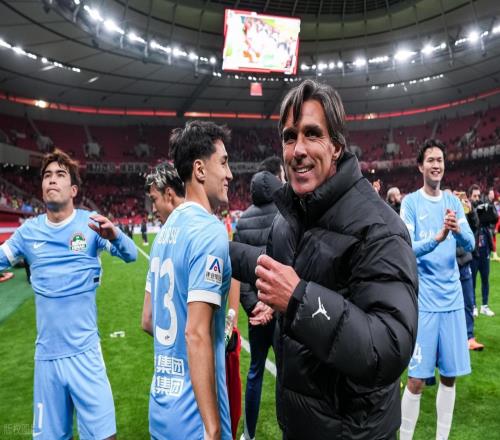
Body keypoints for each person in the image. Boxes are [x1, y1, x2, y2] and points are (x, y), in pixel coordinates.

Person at [230, 79, 418, 439]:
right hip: (299, 426)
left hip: (356, 432)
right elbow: (279, 265)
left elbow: (389, 346)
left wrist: (297, 298)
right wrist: (217, 248)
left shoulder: (379, 228)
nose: (298, 149)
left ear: (337, 146)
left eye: (312, 134)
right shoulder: (288, 220)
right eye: (289, 137)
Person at [0, 149, 137, 439]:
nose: (52, 179)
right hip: (47, 360)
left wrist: (115, 236)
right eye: (47, 175)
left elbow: (131, 255)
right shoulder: (28, 232)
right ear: (42, 186)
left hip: (86, 356)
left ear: (73, 189)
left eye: (60, 174)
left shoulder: (91, 225)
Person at [147, 121, 233, 440]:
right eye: (223, 163)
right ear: (199, 169)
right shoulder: (209, 231)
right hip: (193, 415)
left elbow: (147, 320)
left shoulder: (163, 234)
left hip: (161, 406)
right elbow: (196, 333)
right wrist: (212, 428)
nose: (229, 174)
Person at [399, 139, 475, 440]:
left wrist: (457, 231)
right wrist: (438, 238)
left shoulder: (453, 202)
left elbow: (470, 243)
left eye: (440, 160)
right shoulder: (411, 203)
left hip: (452, 301)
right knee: (416, 380)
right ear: (421, 166)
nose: (436, 165)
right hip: (425, 303)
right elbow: (406, 248)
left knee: (450, 377)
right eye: (430, 160)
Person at [233, 156, 284, 440]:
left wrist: (254, 305)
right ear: (277, 177)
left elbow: (239, 271)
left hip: (256, 313)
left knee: (255, 372)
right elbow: (290, 264)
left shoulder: (242, 220)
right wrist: (271, 305)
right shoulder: (286, 215)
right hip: (281, 309)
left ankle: (248, 435)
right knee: (287, 374)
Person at [141, 162, 186, 336]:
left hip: (166, 351)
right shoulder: (201, 232)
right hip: (199, 352)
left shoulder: (158, 242)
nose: (152, 209)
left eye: (154, 200)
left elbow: (147, 320)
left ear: (169, 195)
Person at [455, 190, 484, 351]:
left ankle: (469, 337)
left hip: (464, 262)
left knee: (468, 301)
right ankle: (455, 336)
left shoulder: (461, 213)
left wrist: (470, 210)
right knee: (450, 303)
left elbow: (474, 225)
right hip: (449, 265)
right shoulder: (439, 214)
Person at [469, 184, 497, 317]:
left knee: (485, 279)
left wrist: (488, 208)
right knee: (472, 281)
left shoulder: (484, 207)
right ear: (470, 197)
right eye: (474, 196)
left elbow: (494, 219)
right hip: (474, 252)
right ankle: (473, 306)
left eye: (478, 196)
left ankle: (484, 306)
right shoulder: (468, 211)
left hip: (485, 251)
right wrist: (474, 212)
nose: (477, 198)